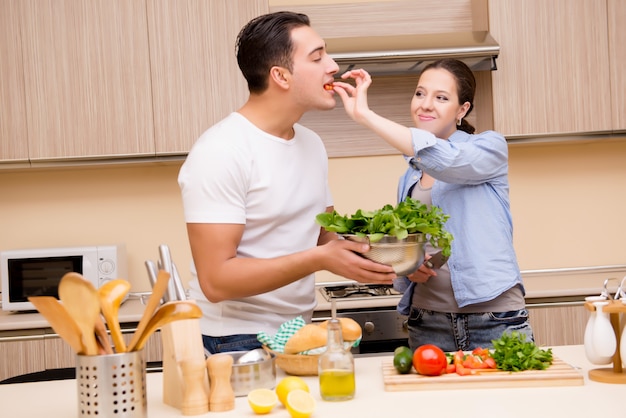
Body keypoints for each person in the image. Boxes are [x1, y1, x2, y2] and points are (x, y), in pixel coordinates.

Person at [177, 11, 396, 355]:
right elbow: (216, 280)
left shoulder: (311, 143)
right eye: (318, 56)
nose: (333, 65)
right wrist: (320, 259)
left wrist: (391, 258)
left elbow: (324, 235)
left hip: (297, 333)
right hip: (235, 340)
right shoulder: (220, 151)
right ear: (280, 75)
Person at [332, 59, 533, 352]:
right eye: (420, 94)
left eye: (441, 97)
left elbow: (446, 160)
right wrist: (410, 267)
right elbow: (411, 249)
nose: (426, 105)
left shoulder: (489, 149)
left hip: (495, 318)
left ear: (462, 110)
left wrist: (366, 115)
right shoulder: (410, 177)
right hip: (428, 321)